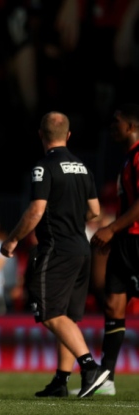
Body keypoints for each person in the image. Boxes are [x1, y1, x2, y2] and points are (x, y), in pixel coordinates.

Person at [0, 111, 109, 398]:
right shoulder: (83, 167)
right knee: (66, 317)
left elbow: (36, 210)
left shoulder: (45, 166)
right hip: (81, 249)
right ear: (68, 135)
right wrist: (73, 219)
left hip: (57, 249)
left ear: (41, 135)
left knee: (49, 314)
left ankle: (90, 368)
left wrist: (12, 240)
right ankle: (61, 380)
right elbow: (96, 212)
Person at [87, 103, 139, 397]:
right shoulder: (128, 159)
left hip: (136, 240)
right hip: (124, 244)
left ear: (131, 126)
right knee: (113, 306)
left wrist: (111, 228)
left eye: (117, 122)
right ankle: (107, 377)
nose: (112, 126)